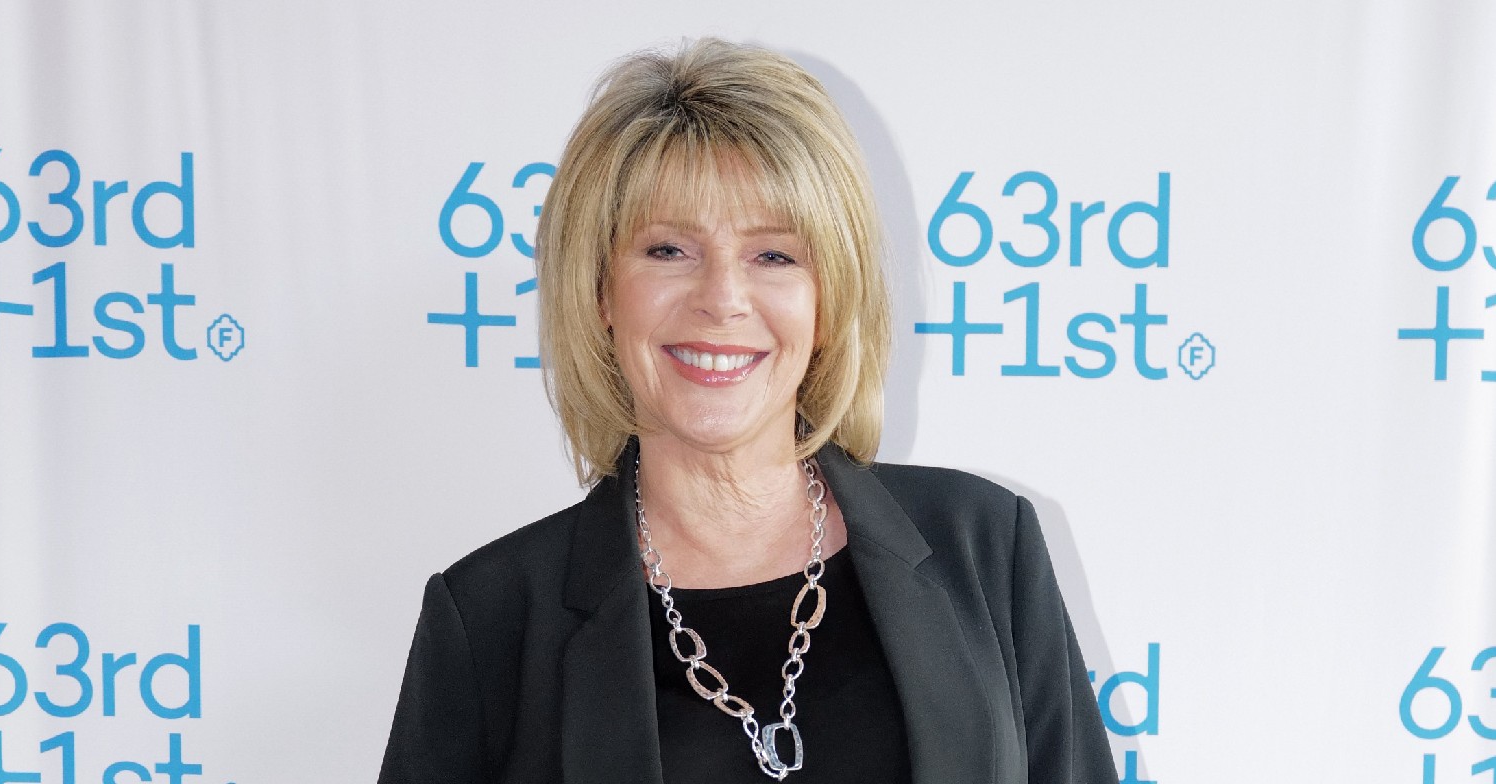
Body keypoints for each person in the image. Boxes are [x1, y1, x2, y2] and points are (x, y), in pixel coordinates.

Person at [379, 38, 1119, 784]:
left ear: (829, 300)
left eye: (775, 256)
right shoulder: (490, 620)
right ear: (601, 290)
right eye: (669, 250)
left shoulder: (985, 546)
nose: (722, 300)